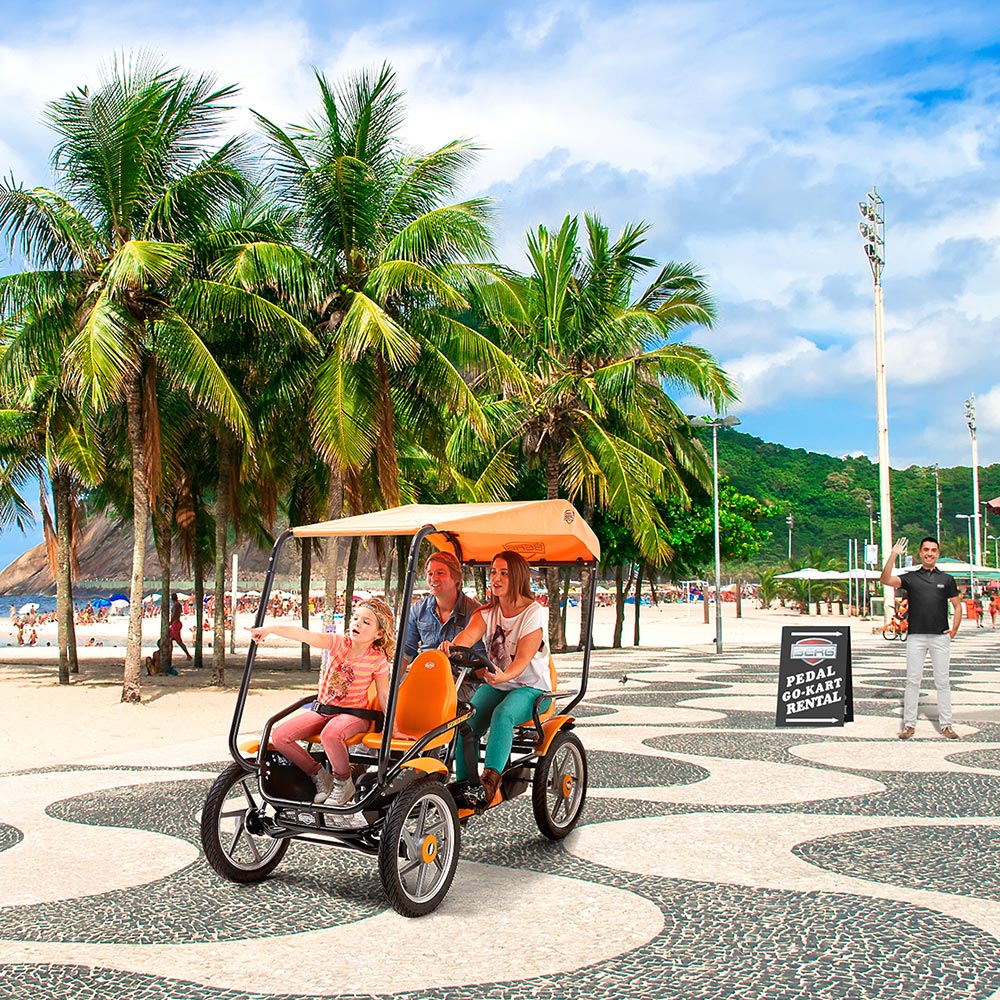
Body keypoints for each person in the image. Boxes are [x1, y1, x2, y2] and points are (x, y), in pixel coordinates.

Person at [249, 598, 397, 806]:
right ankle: (319, 775)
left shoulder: (377, 659)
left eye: (366, 622)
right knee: (281, 736)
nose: (357, 623)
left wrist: (394, 727)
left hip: (355, 715)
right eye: (355, 618)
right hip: (324, 711)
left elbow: (384, 695)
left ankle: (343, 782)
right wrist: (270, 629)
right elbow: (304, 635)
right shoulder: (338, 643)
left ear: (379, 634)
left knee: (331, 733)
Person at [442, 550, 550, 807]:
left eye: (504, 573)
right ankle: (465, 785)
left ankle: (490, 783)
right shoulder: (487, 612)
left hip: (532, 688)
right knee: (466, 721)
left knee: (503, 714)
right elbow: (466, 639)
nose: (496, 578)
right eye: (493, 572)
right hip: (498, 684)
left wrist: (503, 676)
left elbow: (522, 660)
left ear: (518, 577)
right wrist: (450, 648)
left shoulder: (533, 612)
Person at [881, 536, 962, 740]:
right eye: (926, 550)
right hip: (916, 636)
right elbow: (885, 579)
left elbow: (957, 605)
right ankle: (909, 725)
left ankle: (946, 725)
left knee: (942, 682)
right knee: (912, 681)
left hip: (940, 637)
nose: (929, 553)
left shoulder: (947, 579)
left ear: (938, 553)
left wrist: (954, 630)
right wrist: (893, 555)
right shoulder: (911, 578)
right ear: (920, 553)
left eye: (933, 550)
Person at [402, 550, 487, 701]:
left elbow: (481, 665)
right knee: (398, 697)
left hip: (461, 682)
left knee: (431, 698)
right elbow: (406, 652)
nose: (433, 578)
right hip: (425, 675)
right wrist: (392, 686)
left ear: (456, 577)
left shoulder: (475, 613)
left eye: (440, 573)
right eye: (430, 573)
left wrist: (458, 677)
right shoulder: (418, 609)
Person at [170, 593, 192, 660]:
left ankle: (188, 655)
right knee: (169, 639)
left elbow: (174, 615)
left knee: (178, 641)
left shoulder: (175, 605)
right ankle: (169, 654)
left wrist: (170, 622)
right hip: (176, 623)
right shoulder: (178, 605)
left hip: (175, 624)